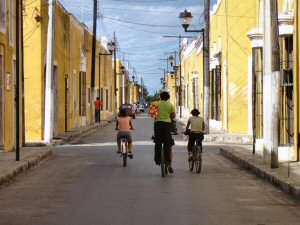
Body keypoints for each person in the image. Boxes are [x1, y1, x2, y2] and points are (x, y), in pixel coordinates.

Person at [152, 91, 175, 173]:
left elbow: (153, 115)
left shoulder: (155, 104)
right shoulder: (170, 105)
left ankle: (158, 160)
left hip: (158, 124)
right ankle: (168, 162)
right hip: (167, 125)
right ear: (168, 98)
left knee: (158, 142)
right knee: (167, 143)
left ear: (160, 97)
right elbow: (173, 116)